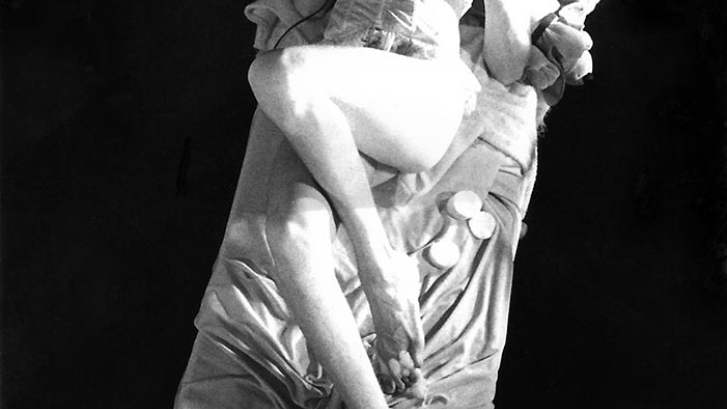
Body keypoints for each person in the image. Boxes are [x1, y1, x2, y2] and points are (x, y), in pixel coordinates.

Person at [175, 0, 599, 407]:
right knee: (290, 234)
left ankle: (378, 264)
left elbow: (508, 65)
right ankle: (375, 352)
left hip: (417, 79)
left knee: (278, 74)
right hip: (335, 84)